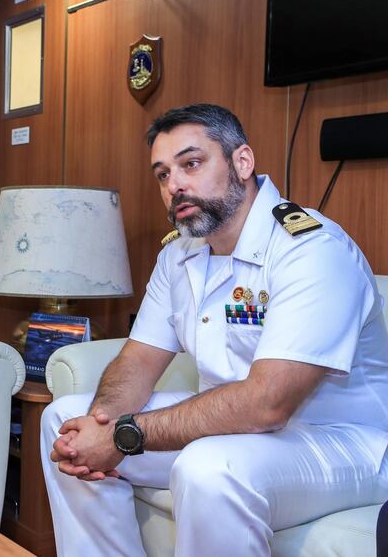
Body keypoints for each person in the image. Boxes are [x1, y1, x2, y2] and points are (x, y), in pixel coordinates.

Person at [41, 103, 388, 556]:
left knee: (208, 468)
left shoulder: (311, 249)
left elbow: (268, 404)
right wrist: (101, 423)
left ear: (242, 162)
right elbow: (139, 360)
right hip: (232, 427)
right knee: (63, 423)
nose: (175, 185)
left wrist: (125, 435)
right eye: (163, 174)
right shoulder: (178, 256)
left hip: (340, 442)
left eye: (192, 163)